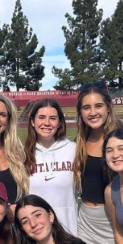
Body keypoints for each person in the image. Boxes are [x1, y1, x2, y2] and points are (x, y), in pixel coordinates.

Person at [74, 82, 123, 244]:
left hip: (114, 224)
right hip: (85, 222)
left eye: (98, 106)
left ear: (108, 108)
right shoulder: (80, 141)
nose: (93, 112)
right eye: (87, 108)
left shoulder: (122, 138)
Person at [24, 98, 77, 235]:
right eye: (41, 117)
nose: (47, 123)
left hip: (68, 231)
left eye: (52, 118)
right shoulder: (22, 155)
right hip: (35, 234)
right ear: (32, 122)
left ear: (59, 123)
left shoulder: (74, 150)